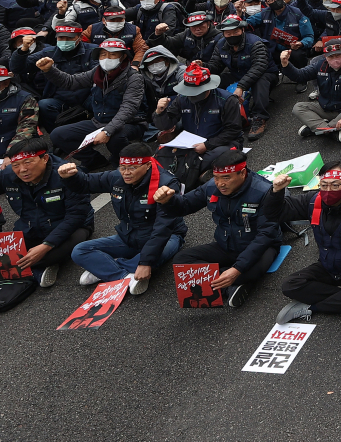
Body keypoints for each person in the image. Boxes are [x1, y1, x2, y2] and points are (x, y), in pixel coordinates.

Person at [156, 146, 282, 308]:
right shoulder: (211, 186)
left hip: (259, 247)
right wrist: (168, 201)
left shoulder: (264, 191)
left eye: (226, 178)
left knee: (245, 270)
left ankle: (233, 280)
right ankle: (228, 284)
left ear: (242, 173)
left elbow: (265, 235)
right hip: (226, 245)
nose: (220, 184)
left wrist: (237, 269)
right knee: (182, 261)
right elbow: (185, 205)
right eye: (216, 177)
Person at [267, 159, 341, 323]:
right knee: (290, 285)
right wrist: (276, 191)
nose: (328, 190)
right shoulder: (313, 200)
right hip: (329, 266)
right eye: (324, 185)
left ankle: (312, 307)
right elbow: (275, 214)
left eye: (335, 185)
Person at [62, 142, 185, 294]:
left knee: (151, 257)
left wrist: (145, 262)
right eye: (123, 167)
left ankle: (106, 268)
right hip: (130, 236)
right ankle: (124, 275)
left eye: (132, 168)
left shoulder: (166, 183)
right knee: (79, 251)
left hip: (167, 237)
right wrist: (70, 176)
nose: (126, 172)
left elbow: (163, 227)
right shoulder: (117, 176)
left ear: (147, 165)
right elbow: (86, 182)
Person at [0, 136, 93, 287]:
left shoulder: (67, 173)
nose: (22, 170)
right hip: (30, 228)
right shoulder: (8, 175)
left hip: (70, 228)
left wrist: (46, 245)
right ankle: (37, 271)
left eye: (27, 162)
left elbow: (76, 216)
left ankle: (39, 267)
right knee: (5, 256)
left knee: (51, 255)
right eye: (16, 164)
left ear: (44, 158)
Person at [38, 38, 146, 166]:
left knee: (116, 138)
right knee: (58, 135)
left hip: (129, 123)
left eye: (112, 54)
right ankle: (95, 161)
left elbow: (129, 108)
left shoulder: (134, 78)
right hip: (99, 121)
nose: (107, 58)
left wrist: (107, 131)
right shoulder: (97, 72)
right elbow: (71, 82)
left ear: (122, 57)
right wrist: (49, 70)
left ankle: (123, 162)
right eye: (103, 54)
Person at [153, 62, 246, 191]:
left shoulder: (227, 100)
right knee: (161, 152)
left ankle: (192, 176)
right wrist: (160, 112)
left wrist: (207, 145)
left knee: (215, 156)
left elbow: (233, 130)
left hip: (221, 143)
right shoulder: (182, 99)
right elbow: (166, 125)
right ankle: (194, 175)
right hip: (190, 142)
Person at [281, 37, 341, 141]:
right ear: (325, 57)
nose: (335, 59)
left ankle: (318, 128)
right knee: (298, 107)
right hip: (325, 107)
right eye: (331, 57)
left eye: (338, 55)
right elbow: (300, 75)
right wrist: (285, 64)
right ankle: (330, 130)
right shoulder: (320, 65)